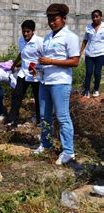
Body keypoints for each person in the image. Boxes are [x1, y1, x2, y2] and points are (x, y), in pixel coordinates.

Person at [32, 3, 80, 165]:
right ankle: (45, 144)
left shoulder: (70, 37)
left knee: (62, 117)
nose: (52, 23)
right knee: (45, 116)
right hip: (45, 81)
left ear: (64, 19)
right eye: (50, 20)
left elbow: (75, 61)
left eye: (55, 19)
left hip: (60, 82)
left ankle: (68, 151)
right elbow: (45, 62)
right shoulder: (47, 38)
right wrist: (37, 69)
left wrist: (50, 61)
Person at [7, 20, 43, 128]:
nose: (25, 34)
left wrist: (38, 68)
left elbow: (45, 57)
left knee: (38, 98)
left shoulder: (40, 42)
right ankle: (12, 120)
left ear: (33, 31)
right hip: (23, 73)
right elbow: (22, 53)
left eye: (28, 31)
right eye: (23, 31)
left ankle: (40, 121)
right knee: (16, 96)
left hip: (36, 75)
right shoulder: (21, 40)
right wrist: (14, 64)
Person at [79, 9, 103, 98]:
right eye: (93, 17)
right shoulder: (88, 27)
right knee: (88, 72)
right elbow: (85, 40)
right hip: (89, 54)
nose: (95, 18)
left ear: (101, 17)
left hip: (101, 53)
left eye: (97, 16)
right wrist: (81, 51)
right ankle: (87, 91)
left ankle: (96, 89)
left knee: (97, 72)